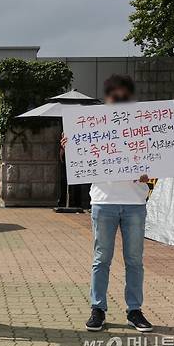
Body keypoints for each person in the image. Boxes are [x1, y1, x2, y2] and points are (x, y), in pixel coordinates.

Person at [61, 74, 153, 332]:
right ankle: (98, 308)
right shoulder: (92, 126)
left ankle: (134, 310)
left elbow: (157, 161)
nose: (119, 99)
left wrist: (150, 173)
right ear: (107, 98)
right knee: (102, 259)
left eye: (124, 95)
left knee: (134, 260)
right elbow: (76, 163)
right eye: (115, 95)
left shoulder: (143, 126)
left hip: (135, 202)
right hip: (103, 201)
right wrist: (70, 147)